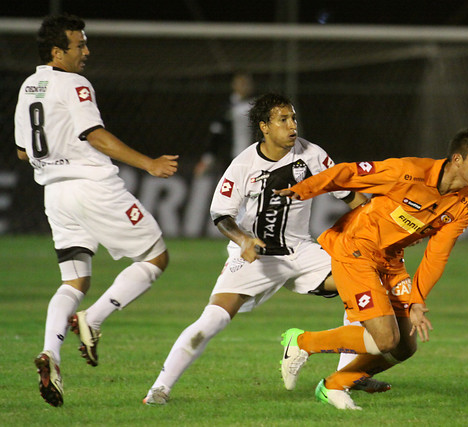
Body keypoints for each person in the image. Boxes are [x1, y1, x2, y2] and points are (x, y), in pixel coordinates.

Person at [143, 93, 387, 405]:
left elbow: (351, 197)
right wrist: (243, 240)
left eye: (293, 118)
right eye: (283, 120)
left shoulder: (312, 154)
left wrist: (374, 229)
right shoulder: (244, 164)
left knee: (362, 287)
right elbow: (221, 214)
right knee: (213, 319)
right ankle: (159, 389)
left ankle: (349, 376)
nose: (292, 125)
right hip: (256, 257)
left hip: (300, 251)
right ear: (265, 127)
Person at [13, 14, 179, 407]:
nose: (86, 52)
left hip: (54, 194)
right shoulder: (74, 83)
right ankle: (94, 318)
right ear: (58, 51)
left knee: (73, 282)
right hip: (93, 187)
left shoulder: (29, 86)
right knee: (156, 256)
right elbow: (95, 135)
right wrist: (149, 164)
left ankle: (50, 354)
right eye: (79, 45)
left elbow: (22, 151)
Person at [275, 128, 468, 410]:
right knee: (386, 339)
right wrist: (303, 190)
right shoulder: (409, 171)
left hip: (390, 261)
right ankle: (302, 341)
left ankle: (334, 385)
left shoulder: (464, 206)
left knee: (405, 346)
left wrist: (417, 299)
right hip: (356, 249)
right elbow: (349, 174)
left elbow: (436, 255)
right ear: (457, 159)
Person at [193, 72, 255, 177]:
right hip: (230, 158)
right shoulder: (226, 108)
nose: (244, 86)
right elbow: (216, 134)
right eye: (241, 83)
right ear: (234, 85)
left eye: (246, 83)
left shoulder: (258, 106)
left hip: (254, 157)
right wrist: (207, 159)